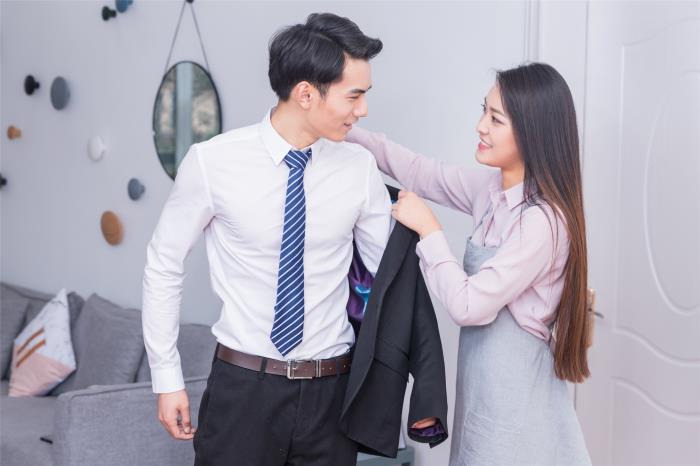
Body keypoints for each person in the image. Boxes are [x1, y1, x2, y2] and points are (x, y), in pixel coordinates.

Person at [142, 13, 392, 466]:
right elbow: (164, 265)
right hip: (243, 390)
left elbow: (386, 282)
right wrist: (166, 377)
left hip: (331, 396)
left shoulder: (360, 169)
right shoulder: (213, 162)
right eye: (354, 96)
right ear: (306, 94)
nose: (364, 110)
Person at [346, 62, 593, 465]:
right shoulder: (491, 191)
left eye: (496, 119)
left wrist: (429, 230)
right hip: (483, 399)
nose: (480, 126)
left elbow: (469, 306)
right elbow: (422, 172)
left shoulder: (543, 222)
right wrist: (345, 128)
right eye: (484, 111)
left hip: (518, 408)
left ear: (532, 132)